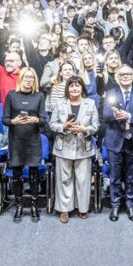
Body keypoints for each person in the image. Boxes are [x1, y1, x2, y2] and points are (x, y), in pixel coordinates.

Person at [101, 63, 133, 221]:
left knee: (131, 176)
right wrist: (116, 115)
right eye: (122, 74)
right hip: (115, 140)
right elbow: (106, 116)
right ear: (117, 77)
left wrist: (128, 116)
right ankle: (115, 205)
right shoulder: (110, 93)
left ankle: (130, 205)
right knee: (115, 176)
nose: (125, 76)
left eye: (128, 74)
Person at [49, 76, 99, 223]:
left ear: (82, 88)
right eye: (71, 86)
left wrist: (85, 129)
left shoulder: (90, 103)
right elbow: (52, 124)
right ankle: (65, 209)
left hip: (84, 146)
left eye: (77, 86)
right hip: (63, 146)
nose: (74, 89)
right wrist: (63, 127)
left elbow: (96, 127)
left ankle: (83, 208)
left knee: (83, 180)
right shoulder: (60, 103)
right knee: (64, 179)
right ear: (67, 89)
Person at [1, 67, 47, 222]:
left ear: (35, 80)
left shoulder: (39, 96)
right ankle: (19, 205)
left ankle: (34, 206)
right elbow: (5, 119)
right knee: (17, 176)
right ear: (20, 79)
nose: (29, 80)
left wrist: (35, 119)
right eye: (26, 77)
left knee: (34, 176)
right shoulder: (12, 95)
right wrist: (14, 121)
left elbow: (44, 120)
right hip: (17, 140)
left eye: (31, 77)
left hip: (33, 140)